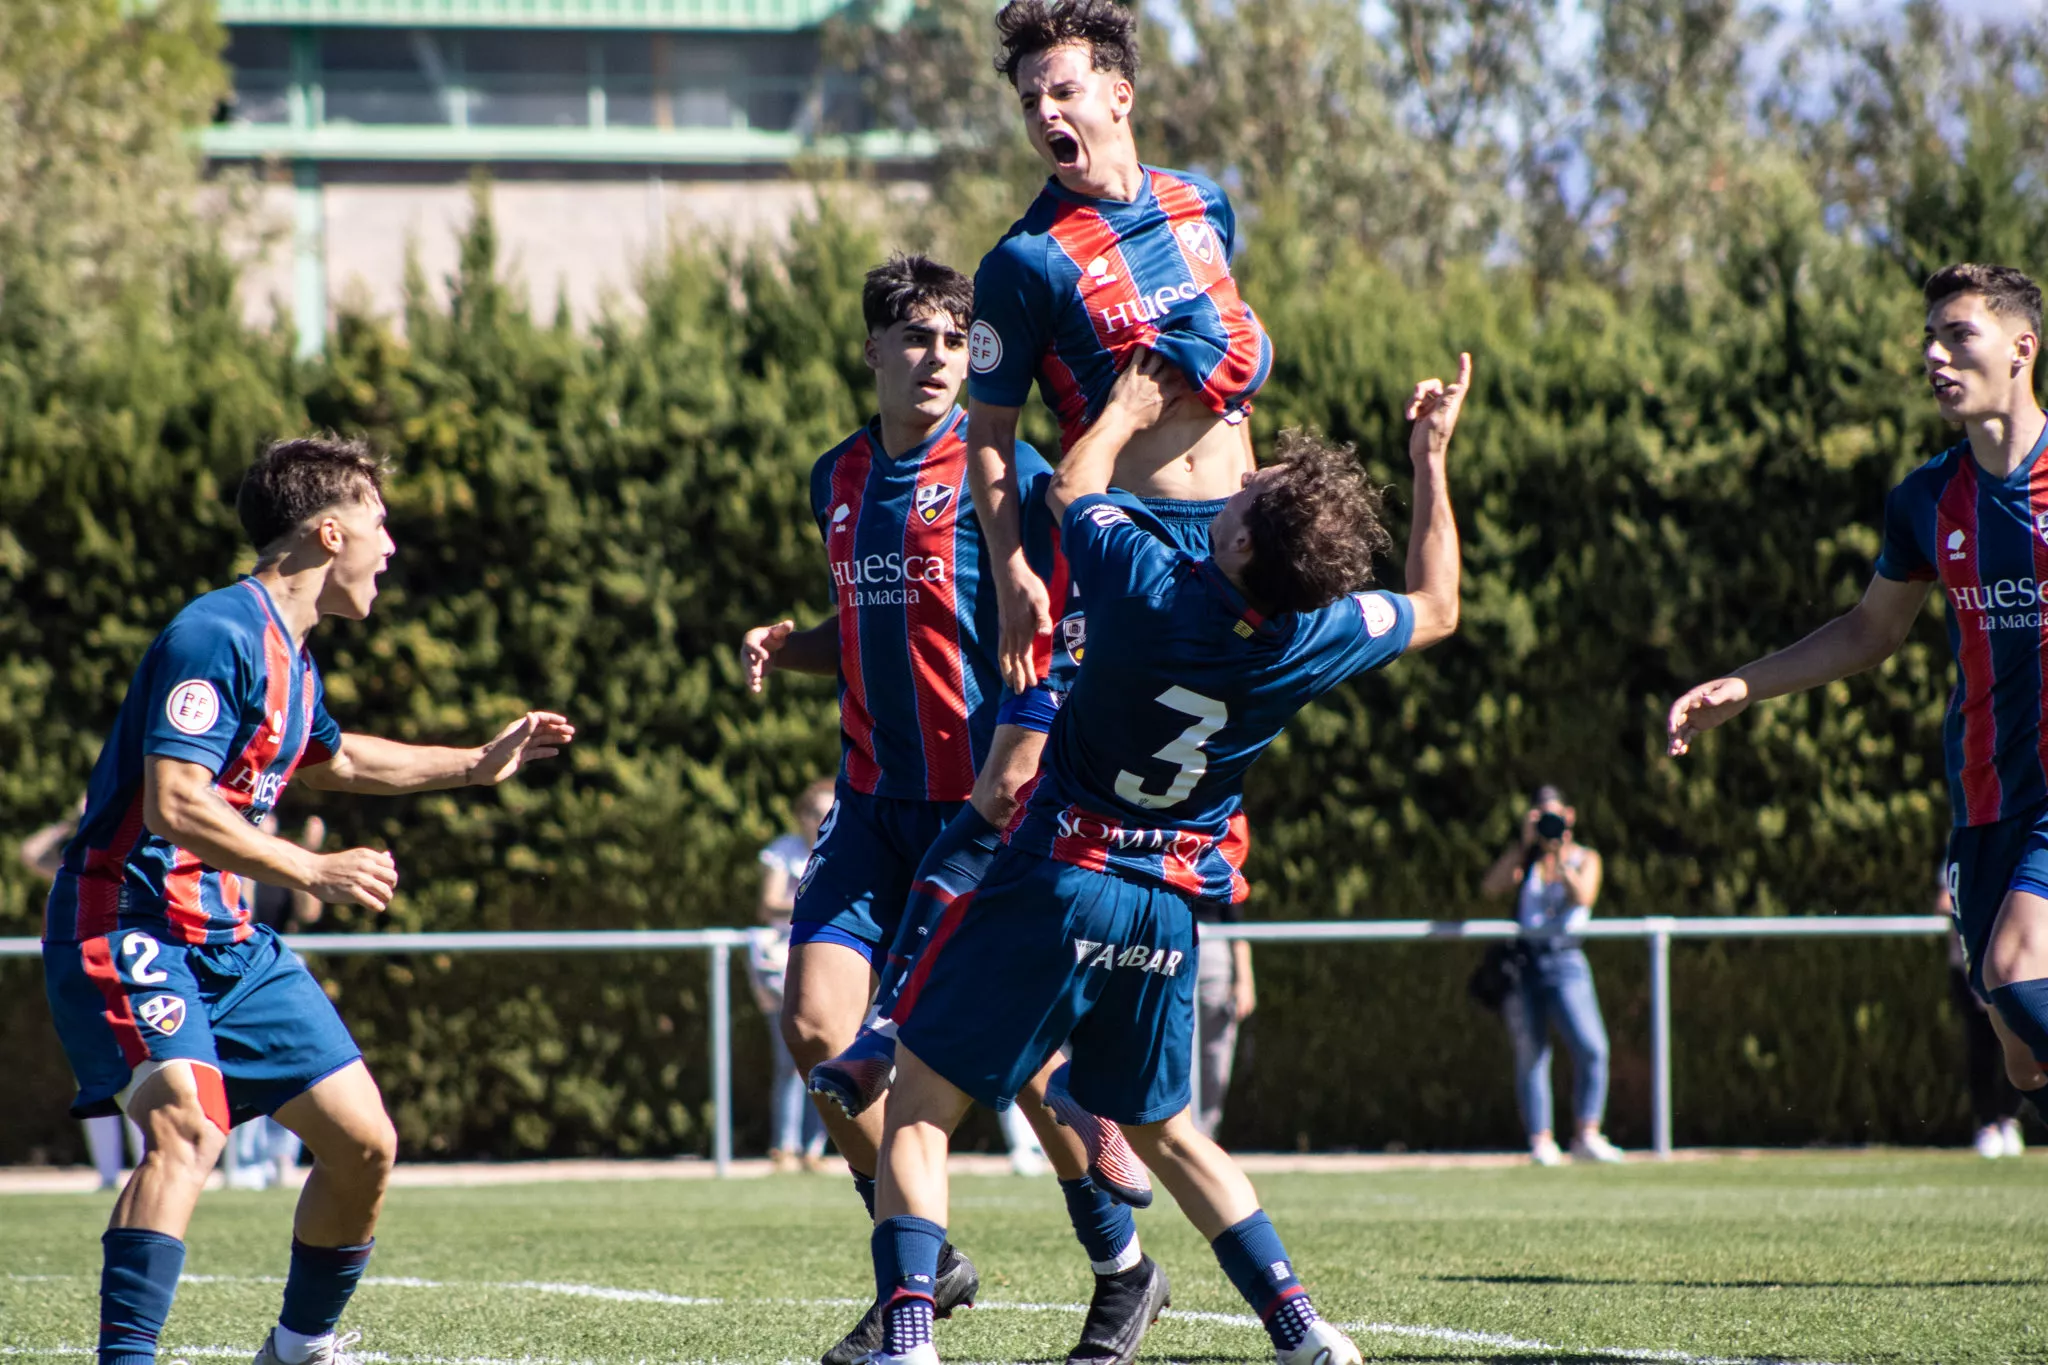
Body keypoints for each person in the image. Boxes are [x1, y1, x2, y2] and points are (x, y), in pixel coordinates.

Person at [860, 347, 1469, 1365]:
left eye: (1245, 492)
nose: (1237, 479)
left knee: (918, 1108)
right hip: (1163, 908)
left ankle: (910, 1339)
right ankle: (1300, 1329)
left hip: (1060, 876)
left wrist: (1125, 408)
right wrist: (1430, 461)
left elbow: (1070, 488)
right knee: (1172, 1135)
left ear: (1232, 542)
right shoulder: (1311, 633)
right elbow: (1438, 606)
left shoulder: (1147, 583)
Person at [39, 436, 575, 1365]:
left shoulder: (291, 656)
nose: (391, 547)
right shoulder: (218, 633)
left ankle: (298, 1350)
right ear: (330, 533)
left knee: (365, 1142)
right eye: (379, 523)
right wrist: (310, 870)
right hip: (128, 925)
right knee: (187, 1125)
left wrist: (476, 765)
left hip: (229, 944)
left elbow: (342, 760)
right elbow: (174, 801)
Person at [738, 255, 1161, 1365]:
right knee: (818, 1034)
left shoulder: (1005, 475)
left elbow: (1056, 637)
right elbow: (868, 627)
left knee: (1014, 1066)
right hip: (871, 806)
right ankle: (922, 1266)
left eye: (952, 343)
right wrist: (796, 649)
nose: (934, 361)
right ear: (872, 350)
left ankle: (1122, 1272)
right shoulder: (831, 476)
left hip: (979, 813)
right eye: (913, 339)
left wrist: (1028, 765)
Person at [1669, 263, 2048, 1110]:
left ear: (2023, 349)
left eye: (1958, 335)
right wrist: (1745, 684)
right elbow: (1870, 631)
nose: (1935, 355)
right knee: (2024, 1057)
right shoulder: (1926, 500)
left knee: (2019, 974)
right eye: (1929, 338)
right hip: (1986, 800)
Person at [967, 0, 1272, 701]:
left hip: (1234, 534)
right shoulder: (1024, 263)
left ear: (1119, 96)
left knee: (1222, 750)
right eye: (1030, 102)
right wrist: (1013, 568)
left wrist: (1254, 490)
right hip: (1134, 539)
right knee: (1130, 744)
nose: (1046, 114)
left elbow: (1228, 372)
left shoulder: (1202, 205)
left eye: (1064, 92)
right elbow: (989, 431)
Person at [1480, 786, 1622, 1166]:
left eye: (1554, 816)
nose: (1549, 823)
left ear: (1570, 817)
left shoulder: (1584, 858)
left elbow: (1584, 897)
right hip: (1526, 962)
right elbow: (1491, 886)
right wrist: (1525, 846)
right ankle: (1541, 1140)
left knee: (1593, 1048)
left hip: (1567, 961)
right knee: (1532, 1053)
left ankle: (1587, 1134)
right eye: (1541, 816)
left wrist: (1559, 857)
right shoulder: (1525, 861)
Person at [22, 803, 144, 1191]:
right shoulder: (71, 864)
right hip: (85, 975)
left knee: (144, 1069)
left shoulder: (130, 857)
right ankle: (108, 1175)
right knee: (95, 1075)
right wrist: (68, 823)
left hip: (128, 971)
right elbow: (29, 855)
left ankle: (149, 1166)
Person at [224, 814, 330, 1191]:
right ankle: (246, 1162)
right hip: (243, 966)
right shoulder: (229, 865)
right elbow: (242, 912)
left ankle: (283, 1158)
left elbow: (310, 913)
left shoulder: (287, 863)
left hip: (284, 965)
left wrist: (308, 853)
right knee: (248, 1065)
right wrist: (246, 857)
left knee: (294, 1063)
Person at [752, 779, 834, 1171]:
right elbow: (767, 905)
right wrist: (813, 903)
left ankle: (813, 1149)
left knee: (825, 1058)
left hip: (830, 965)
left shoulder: (841, 851)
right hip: (783, 965)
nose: (822, 820)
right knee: (789, 1059)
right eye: (816, 813)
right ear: (801, 816)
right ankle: (784, 1146)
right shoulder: (783, 852)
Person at [1941, 876, 2027, 1157]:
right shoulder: (1966, 841)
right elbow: (1945, 900)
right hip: (1973, 961)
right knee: (1983, 1045)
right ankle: (1988, 1124)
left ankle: (2008, 1120)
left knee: (2021, 1043)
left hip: (2017, 965)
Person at [1193, 904, 1253, 1140]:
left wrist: (1245, 979)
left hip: (1213, 948)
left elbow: (1235, 918)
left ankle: (1204, 1137)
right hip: (1164, 942)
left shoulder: (1219, 866)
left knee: (1216, 1057)